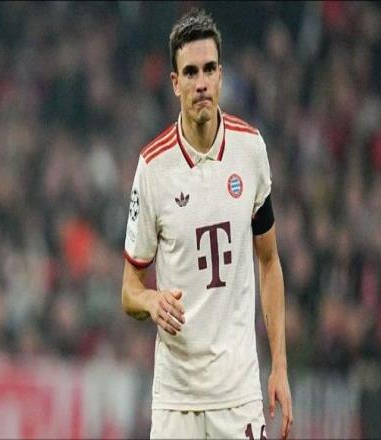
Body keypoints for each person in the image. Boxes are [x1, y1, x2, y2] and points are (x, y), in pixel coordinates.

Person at [121, 8, 293, 439]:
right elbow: (129, 290)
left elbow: (269, 261)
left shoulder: (249, 150)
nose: (201, 82)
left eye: (209, 69)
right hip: (176, 398)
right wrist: (151, 301)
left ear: (221, 76)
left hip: (238, 394)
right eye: (191, 72)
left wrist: (279, 366)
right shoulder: (153, 167)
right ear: (175, 82)